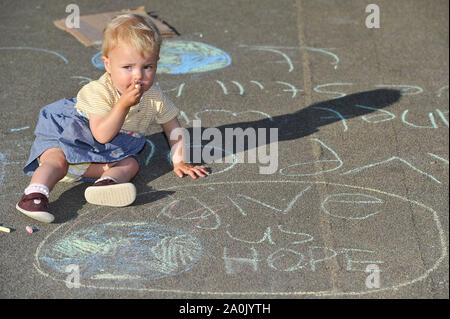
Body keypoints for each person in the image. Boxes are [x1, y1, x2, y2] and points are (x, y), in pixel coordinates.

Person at [16, 13, 209, 223]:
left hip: (94, 162)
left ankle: (106, 184)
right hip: (73, 137)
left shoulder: (155, 96)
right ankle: (34, 195)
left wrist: (180, 161)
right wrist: (123, 105)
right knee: (57, 159)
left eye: (147, 67)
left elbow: (172, 125)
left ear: (156, 63)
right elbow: (101, 135)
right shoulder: (98, 92)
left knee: (131, 164)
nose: (138, 76)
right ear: (108, 64)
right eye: (128, 67)